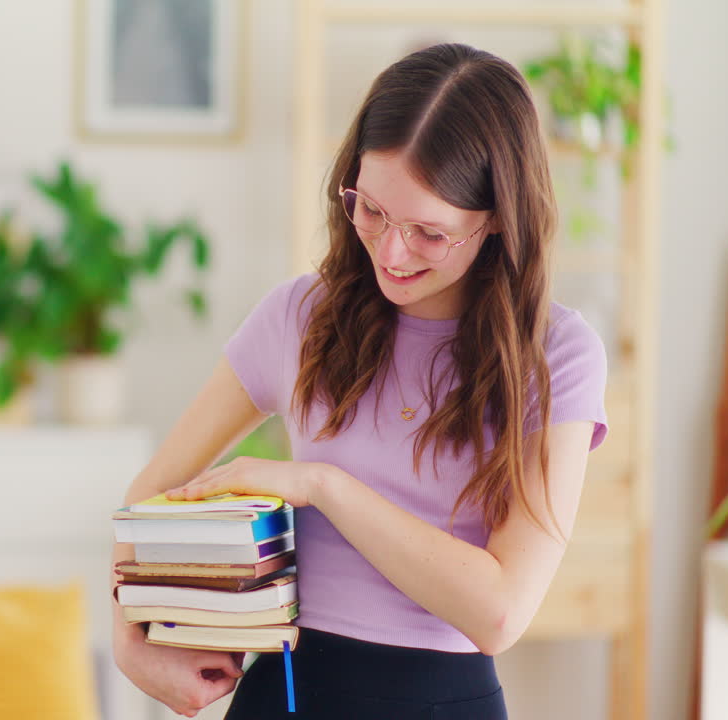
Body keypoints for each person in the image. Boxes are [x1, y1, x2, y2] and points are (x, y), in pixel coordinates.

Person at [110, 42, 608, 719]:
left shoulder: (556, 357)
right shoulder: (297, 317)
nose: (391, 251)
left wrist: (323, 486)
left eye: (429, 233)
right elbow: (149, 497)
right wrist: (129, 638)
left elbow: (499, 612)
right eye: (370, 209)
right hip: (284, 694)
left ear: (495, 222)